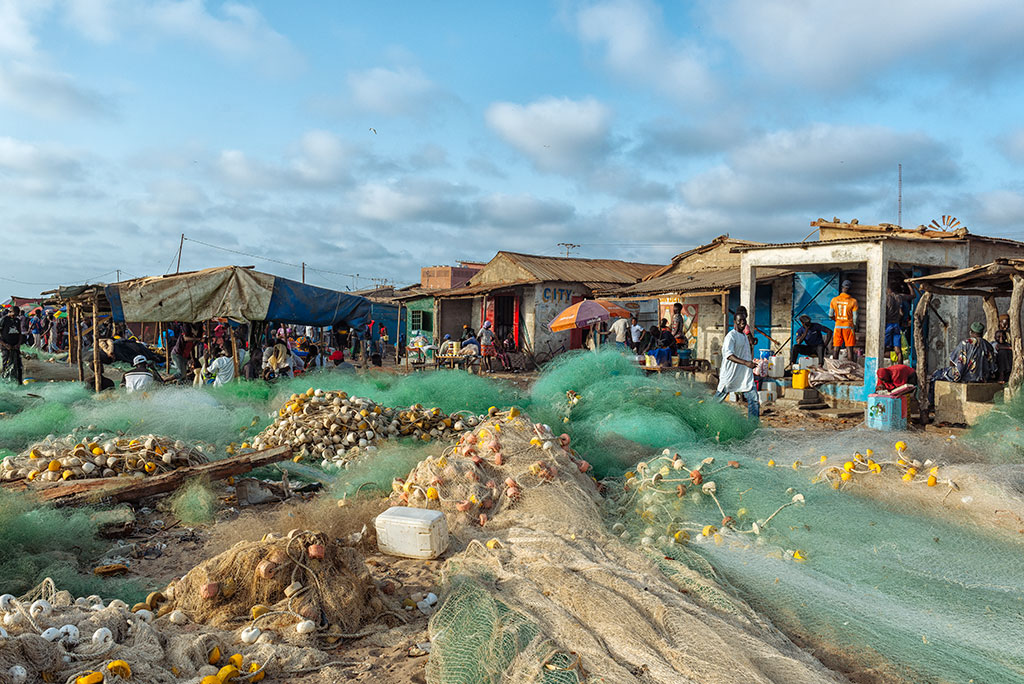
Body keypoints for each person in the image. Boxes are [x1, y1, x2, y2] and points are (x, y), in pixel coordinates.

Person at [713, 314, 759, 420]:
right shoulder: (731, 336)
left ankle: (753, 424)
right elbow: (729, 355)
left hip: (744, 374)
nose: (742, 322)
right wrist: (746, 363)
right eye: (740, 321)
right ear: (735, 322)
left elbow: (746, 353)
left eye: (744, 320)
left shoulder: (744, 336)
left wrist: (751, 363)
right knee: (719, 398)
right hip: (731, 374)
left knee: (754, 399)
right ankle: (708, 416)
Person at [931, 322, 998, 384]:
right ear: (982, 333)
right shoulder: (988, 345)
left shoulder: (965, 343)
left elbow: (953, 362)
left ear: (971, 332)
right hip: (982, 378)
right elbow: (992, 366)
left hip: (966, 377)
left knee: (936, 375)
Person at [885, 282, 915, 363]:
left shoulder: (886, 298)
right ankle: (900, 368)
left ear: (889, 289)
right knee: (898, 350)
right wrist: (910, 285)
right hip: (896, 325)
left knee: (882, 348)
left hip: (888, 325)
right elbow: (913, 295)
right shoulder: (899, 297)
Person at [829, 280, 859, 360]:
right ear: (850, 289)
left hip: (838, 326)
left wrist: (838, 320)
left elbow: (830, 315)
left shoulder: (834, 300)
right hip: (848, 327)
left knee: (836, 348)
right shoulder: (853, 301)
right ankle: (850, 368)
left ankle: (834, 367)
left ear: (842, 288)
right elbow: (855, 317)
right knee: (849, 348)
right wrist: (854, 325)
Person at [1, 306, 24, 384]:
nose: (15, 316)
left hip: (15, 347)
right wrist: (5, 345)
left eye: (17, 315)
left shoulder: (17, 320)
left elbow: (20, 333)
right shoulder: (3, 320)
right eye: (13, 314)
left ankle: (19, 382)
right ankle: (5, 382)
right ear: (9, 312)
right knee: (6, 365)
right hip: (6, 347)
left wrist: (18, 344)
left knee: (19, 365)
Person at [995, 314, 1012, 382]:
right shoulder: (994, 332)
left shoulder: (1008, 334)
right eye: (1004, 324)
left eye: (1008, 324)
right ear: (999, 323)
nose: (1006, 326)